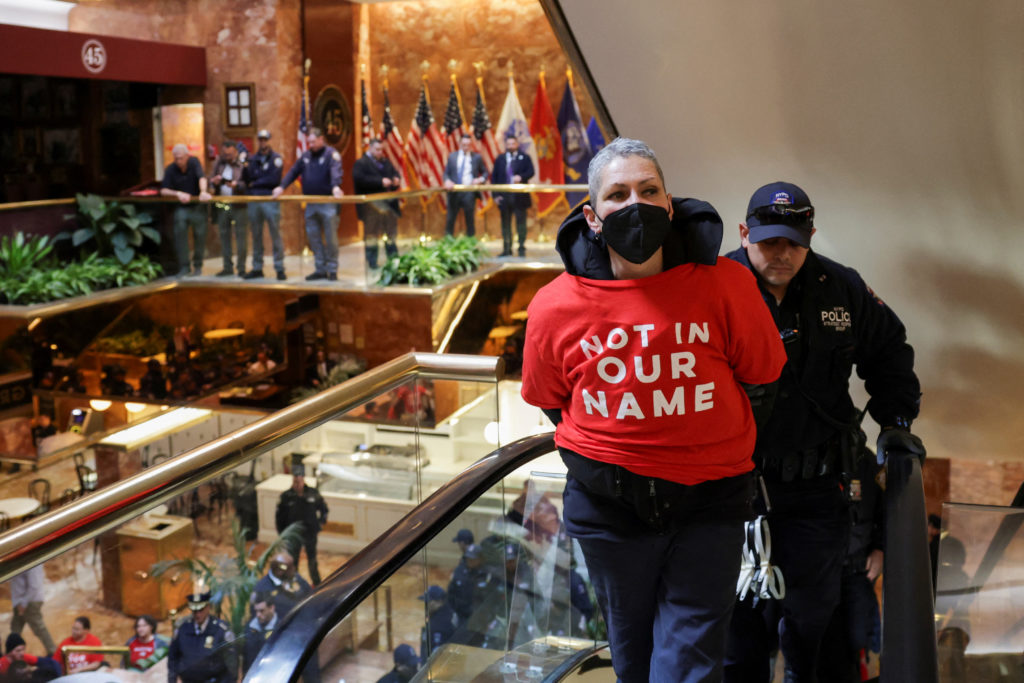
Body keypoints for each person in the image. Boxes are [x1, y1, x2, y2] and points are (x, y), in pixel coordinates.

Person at [521, 137, 786, 682]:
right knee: (631, 650)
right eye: (617, 195)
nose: (634, 205)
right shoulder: (554, 305)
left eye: (648, 190)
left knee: (690, 660)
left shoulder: (728, 284)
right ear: (592, 217)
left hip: (709, 506)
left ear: (670, 205)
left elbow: (762, 371)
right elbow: (548, 397)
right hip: (608, 510)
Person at [723, 181, 923, 682]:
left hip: (815, 491)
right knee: (736, 632)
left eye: (793, 241)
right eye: (769, 241)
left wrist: (895, 424)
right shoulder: (714, 284)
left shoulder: (841, 287)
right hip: (730, 488)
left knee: (812, 623)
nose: (782, 253)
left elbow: (891, 352)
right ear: (745, 233)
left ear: (810, 234)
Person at [273, 127, 344, 281]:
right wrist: (281, 187)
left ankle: (332, 269)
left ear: (321, 139)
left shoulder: (331, 154)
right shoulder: (305, 156)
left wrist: (336, 186)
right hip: (310, 203)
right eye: (309, 142)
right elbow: (293, 172)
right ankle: (320, 268)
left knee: (331, 238)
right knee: (313, 238)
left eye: (313, 141)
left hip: (327, 202)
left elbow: (335, 171)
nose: (310, 144)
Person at [160, 143, 212, 277]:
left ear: (187, 156)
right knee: (180, 236)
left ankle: (198, 265)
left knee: (200, 235)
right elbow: (163, 190)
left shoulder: (194, 162)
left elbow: (202, 177)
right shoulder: (171, 169)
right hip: (182, 208)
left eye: (181, 158)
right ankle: (184, 267)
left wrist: (203, 192)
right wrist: (177, 193)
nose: (178, 161)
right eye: (176, 158)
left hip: (197, 207)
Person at [244, 129, 286, 281]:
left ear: (269, 140)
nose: (263, 142)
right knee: (256, 235)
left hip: (270, 200)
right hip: (254, 200)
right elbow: (248, 179)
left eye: (265, 139)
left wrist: (257, 182)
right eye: (260, 140)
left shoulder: (276, 159)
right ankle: (257, 267)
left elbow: (274, 179)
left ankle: (280, 268)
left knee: (275, 234)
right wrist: (247, 169)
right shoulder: (253, 159)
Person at [352, 138, 402, 269]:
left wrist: (396, 179)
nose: (380, 152)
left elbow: (394, 173)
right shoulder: (361, 163)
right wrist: (380, 181)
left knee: (390, 233)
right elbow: (360, 179)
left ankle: (393, 259)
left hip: (388, 205)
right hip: (371, 207)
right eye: (377, 149)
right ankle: (372, 262)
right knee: (372, 235)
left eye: (381, 149)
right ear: (370, 148)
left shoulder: (385, 162)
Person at [275, 466, 329, 584]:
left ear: (303, 480)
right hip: (294, 534)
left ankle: (317, 584)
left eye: (299, 481)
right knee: (293, 561)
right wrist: (283, 534)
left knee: (312, 560)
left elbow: (324, 509)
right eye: (295, 481)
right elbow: (279, 517)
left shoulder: (313, 493)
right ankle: (293, 584)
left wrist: (320, 523)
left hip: (310, 532)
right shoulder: (286, 496)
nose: (297, 484)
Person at [167, 592, 236, 683]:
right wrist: (172, 679)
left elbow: (231, 662)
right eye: (194, 610)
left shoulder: (220, 629)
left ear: (208, 607)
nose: (197, 614)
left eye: (201, 610)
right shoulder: (183, 628)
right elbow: (173, 657)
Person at [490, 133, 535, 256]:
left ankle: (521, 248)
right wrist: (495, 195)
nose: (511, 145)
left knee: (521, 223)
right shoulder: (500, 158)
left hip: (520, 196)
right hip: (504, 197)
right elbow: (494, 178)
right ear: (506, 145)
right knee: (505, 224)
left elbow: (531, 172)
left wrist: (521, 177)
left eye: (513, 143)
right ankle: (506, 248)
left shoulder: (524, 157)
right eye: (508, 143)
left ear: (517, 144)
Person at [209, 140, 249, 277]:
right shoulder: (219, 163)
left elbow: (249, 184)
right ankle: (227, 267)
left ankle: (242, 268)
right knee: (224, 236)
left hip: (239, 205)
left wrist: (237, 185)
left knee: (241, 237)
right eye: (225, 154)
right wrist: (214, 182)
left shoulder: (243, 164)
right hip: (222, 205)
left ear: (235, 152)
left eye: (230, 154)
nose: (228, 156)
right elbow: (210, 180)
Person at [442, 133, 486, 237]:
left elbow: (485, 173)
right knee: (450, 219)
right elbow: (446, 173)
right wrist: (447, 181)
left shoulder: (477, 157)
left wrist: (480, 179)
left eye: (468, 144)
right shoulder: (452, 156)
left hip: (469, 193)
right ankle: (448, 244)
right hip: (454, 192)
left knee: (470, 220)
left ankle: (470, 244)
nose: (466, 146)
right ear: (460, 144)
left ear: (471, 145)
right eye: (464, 144)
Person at [9, 564, 56, 657]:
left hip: (28, 602)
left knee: (39, 628)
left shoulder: (33, 564)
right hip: (21, 601)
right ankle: (10, 654)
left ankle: (53, 653)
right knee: (15, 629)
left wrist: (23, 603)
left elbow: (34, 585)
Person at [251, 551, 313, 619]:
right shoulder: (262, 590)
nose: (294, 569)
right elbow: (260, 618)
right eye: (290, 568)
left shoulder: (294, 577)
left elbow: (310, 593)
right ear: (279, 571)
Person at [418, 585, 457, 662]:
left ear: (439, 602)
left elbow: (435, 658)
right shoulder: (449, 611)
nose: (426, 606)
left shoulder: (436, 626)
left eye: (428, 602)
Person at [242, 593, 277, 674]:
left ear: (271, 608)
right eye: (256, 611)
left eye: (262, 611)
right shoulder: (249, 627)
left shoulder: (280, 627)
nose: (258, 615)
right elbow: (245, 657)